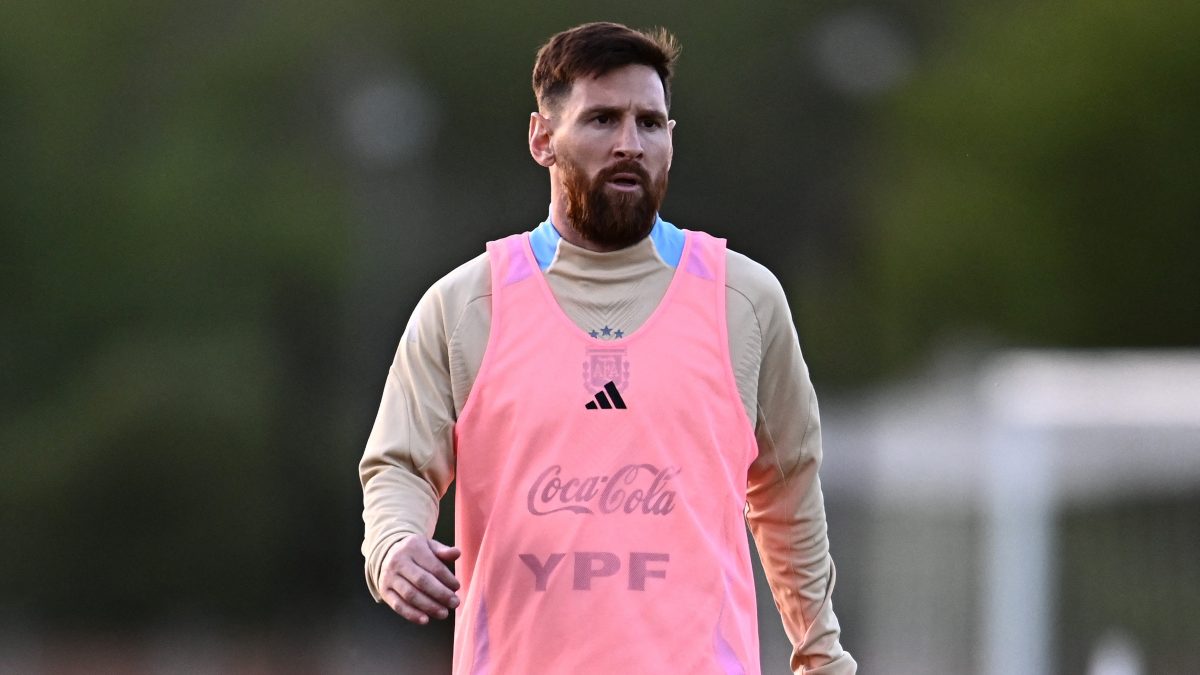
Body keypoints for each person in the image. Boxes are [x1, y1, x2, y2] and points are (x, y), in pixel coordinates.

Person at [360, 21, 856, 675]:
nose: (629, 144)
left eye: (650, 123)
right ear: (542, 138)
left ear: (672, 141)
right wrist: (394, 544)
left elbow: (788, 489)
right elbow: (399, 464)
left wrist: (822, 655)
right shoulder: (466, 305)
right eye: (601, 120)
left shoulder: (744, 299)